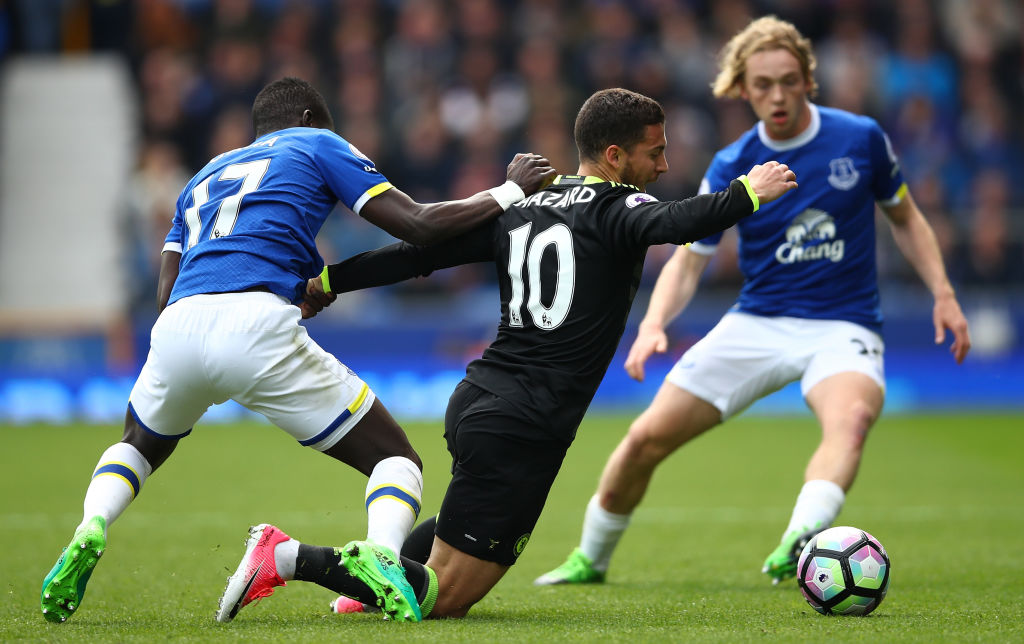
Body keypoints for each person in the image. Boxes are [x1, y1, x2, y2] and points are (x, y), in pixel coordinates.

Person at [214, 87, 798, 622]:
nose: (665, 165)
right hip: (527, 418)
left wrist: (331, 280)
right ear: (614, 156)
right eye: (656, 152)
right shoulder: (619, 208)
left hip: (481, 399)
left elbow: (419, 255)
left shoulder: (526, 205)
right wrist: (749, 191)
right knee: (444, 599)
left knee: (461, 523)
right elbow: (679, 220)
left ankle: (364, 591)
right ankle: (288, 556)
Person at [40, 76, 556, 624]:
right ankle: (381, 557)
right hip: (254, 325)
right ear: (310, 119)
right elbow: (417, 224)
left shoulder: (202, 176)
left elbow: (167, 290)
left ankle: (91, 524)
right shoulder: (317, 143)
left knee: (138, 445)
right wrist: (508, 192)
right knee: (395, 459)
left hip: (177, 326)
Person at [534, 15, 971, 589]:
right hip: (757, 322)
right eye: (763, 84)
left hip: (844, 324)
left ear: (807, 79)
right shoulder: (732, 161)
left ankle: (802, 538)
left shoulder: (860, 138)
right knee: (644, 440)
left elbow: (906, 218)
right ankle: (589, 557)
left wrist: (944, 294)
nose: (778, 95)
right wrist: (654, 324)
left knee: (852, 421)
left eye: (789, 81)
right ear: (742, 89)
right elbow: (690, 259)